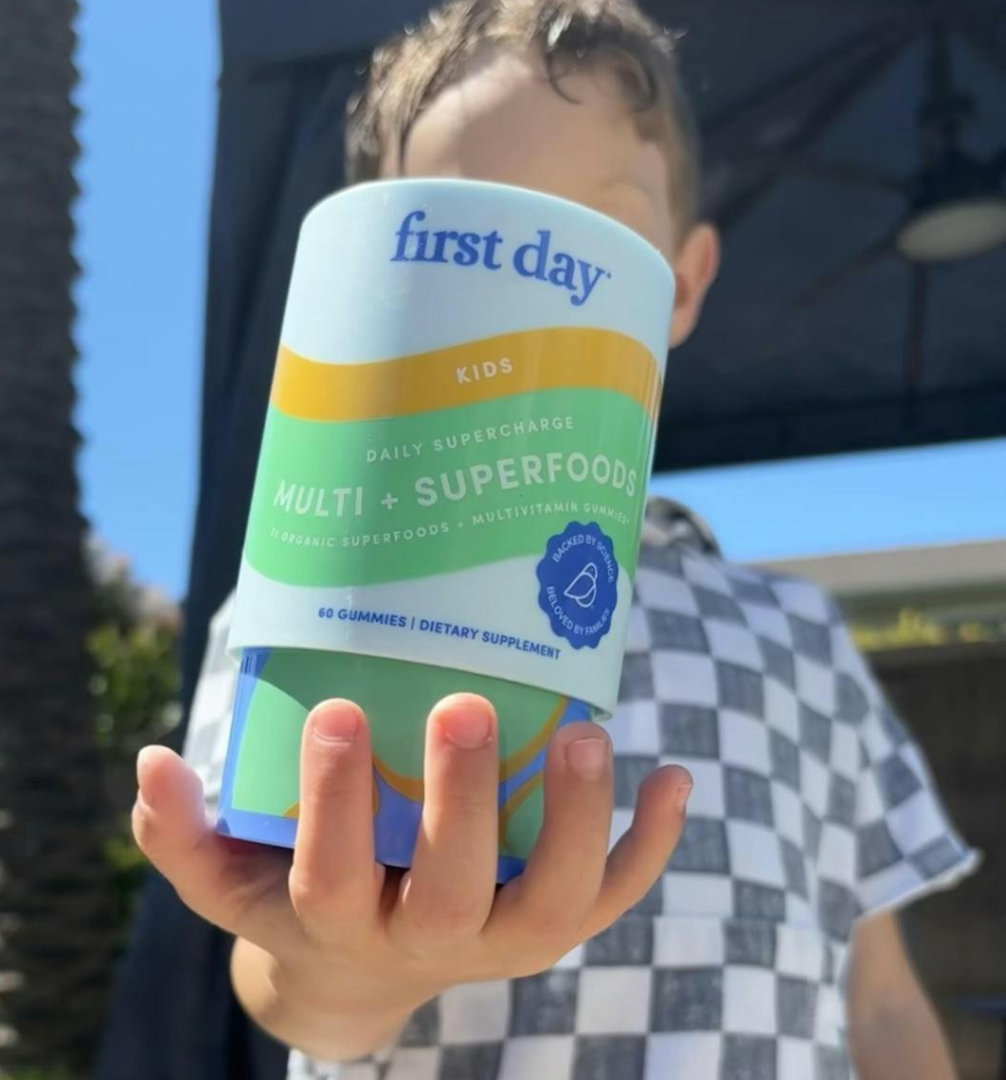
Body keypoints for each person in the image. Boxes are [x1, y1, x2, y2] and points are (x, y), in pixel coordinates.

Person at [131, 2, 978, 1078]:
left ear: (683, 281)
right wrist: (359, 969)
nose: (531, 289)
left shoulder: (802, 639)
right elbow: (288, 990)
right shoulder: (290, 597)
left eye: (598, 238)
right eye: (467, 236)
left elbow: (886, 1003)